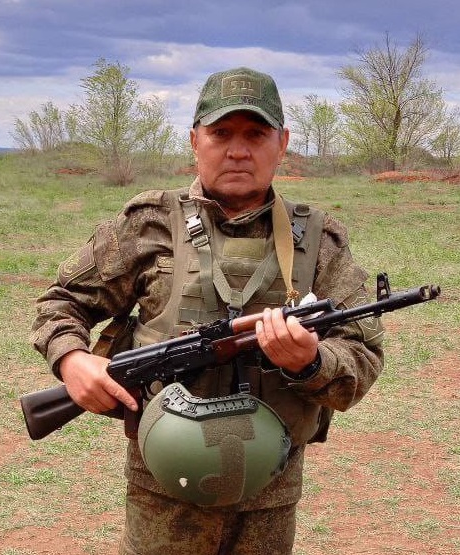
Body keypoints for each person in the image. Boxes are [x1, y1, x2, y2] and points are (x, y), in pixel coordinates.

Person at [31, 67, 384, 554]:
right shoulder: (149, 224)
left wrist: (311, 362)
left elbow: (362, 355)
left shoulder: (319, 241)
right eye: (221, 133)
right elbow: (62, 302)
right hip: (162, 490)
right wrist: (73, 361)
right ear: (195, 140)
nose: (238, 150)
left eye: (255, 134)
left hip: (270, 490)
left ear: (282, 143)